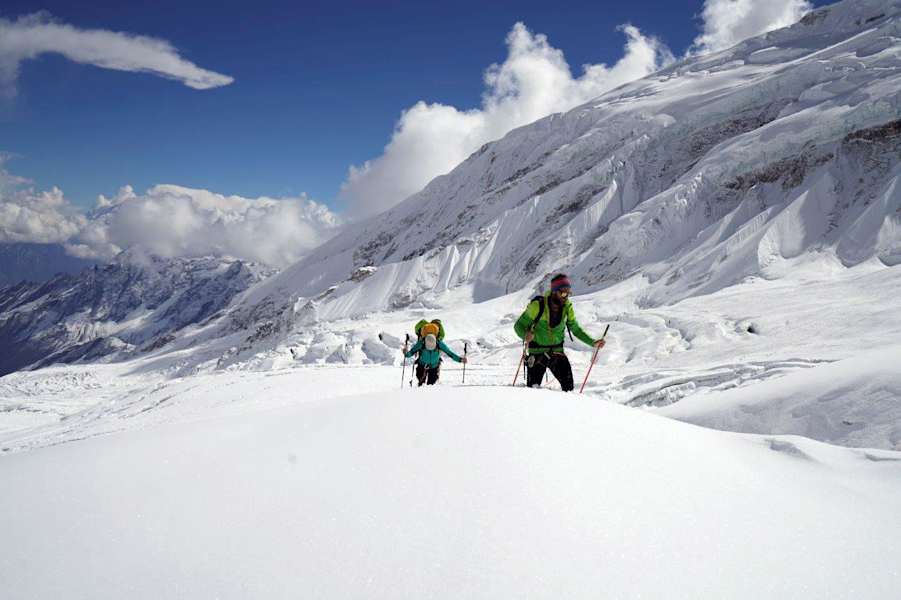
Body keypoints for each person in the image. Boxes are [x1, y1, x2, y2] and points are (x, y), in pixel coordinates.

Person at [513, 273, 605, 391]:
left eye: (568, 293)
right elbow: (518, 326)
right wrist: (525, 335)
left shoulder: (567, 307)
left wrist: (593, 343)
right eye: (563, 292)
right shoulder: (537, 306)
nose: (566, 296)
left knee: (568, 388)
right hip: (537, 353)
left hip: (557, 352)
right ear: (554, 291)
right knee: (532, 390)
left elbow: (575, 329)